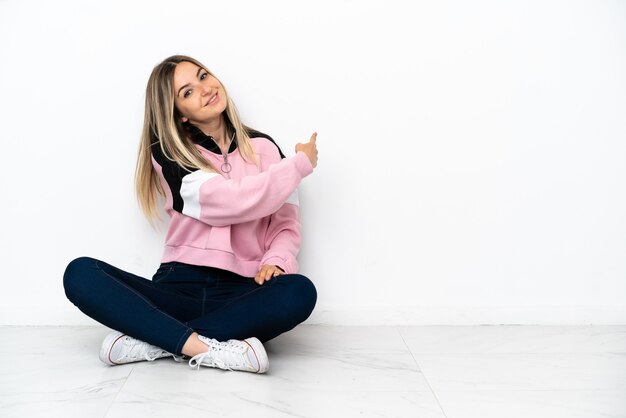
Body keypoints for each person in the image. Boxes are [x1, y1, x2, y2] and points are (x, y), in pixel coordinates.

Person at [63, 55, 319, 374]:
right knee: (80, 273)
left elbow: (285, 224)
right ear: (180, 115)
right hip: (177, 287)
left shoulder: (266, 149)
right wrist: (297, 165)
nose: (204, 88)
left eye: (203, 76)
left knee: (300, 291)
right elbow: (226, 203)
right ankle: (207, 347)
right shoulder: (170, 153)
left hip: (243, 292)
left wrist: (277, 261)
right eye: (187, 92)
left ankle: (156, 340)